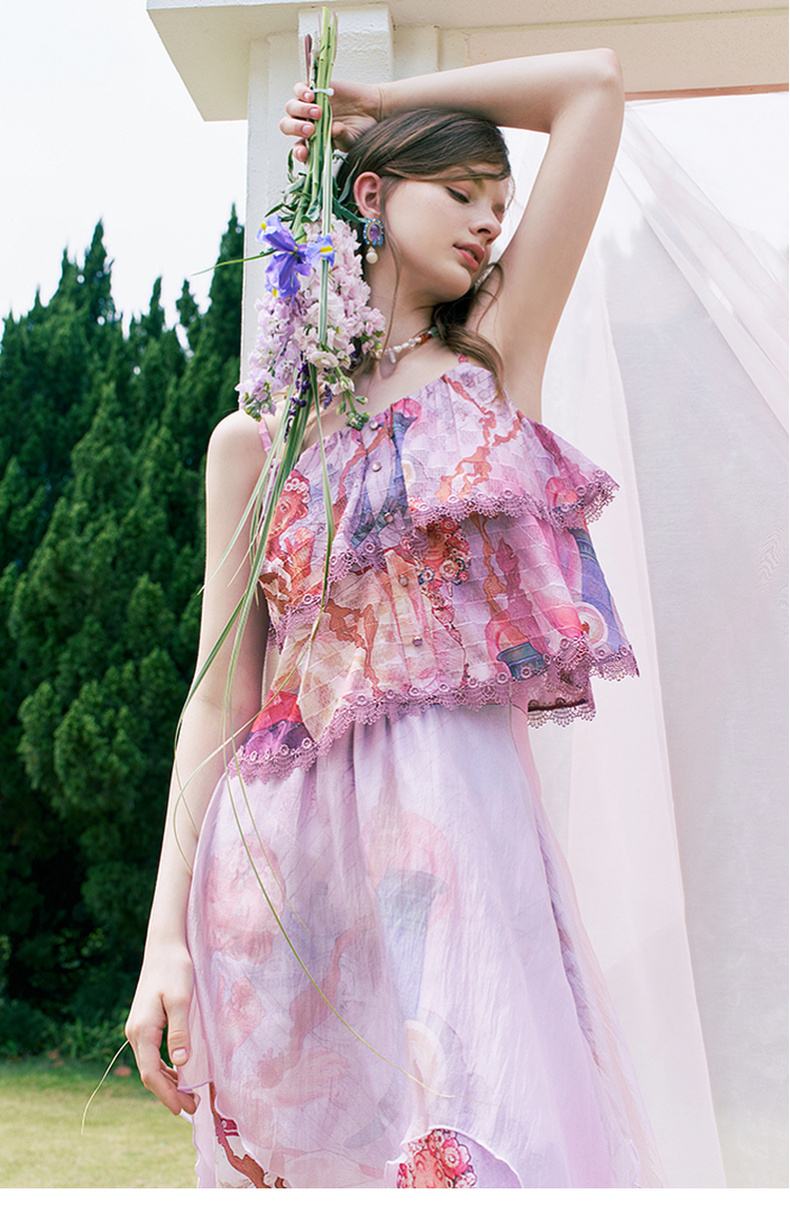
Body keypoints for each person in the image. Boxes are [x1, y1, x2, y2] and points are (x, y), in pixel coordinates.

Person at [126, 49, 663, 1188]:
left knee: (477, 1146)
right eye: (460, 191)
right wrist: (163, 939)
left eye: (500, 202)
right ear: (369, 196)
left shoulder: (489, 360)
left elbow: (593, 91)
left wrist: (379, 103)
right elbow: (216, 700)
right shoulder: (256, 440)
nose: (489, 222)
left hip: (453, 833)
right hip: (281, 854)